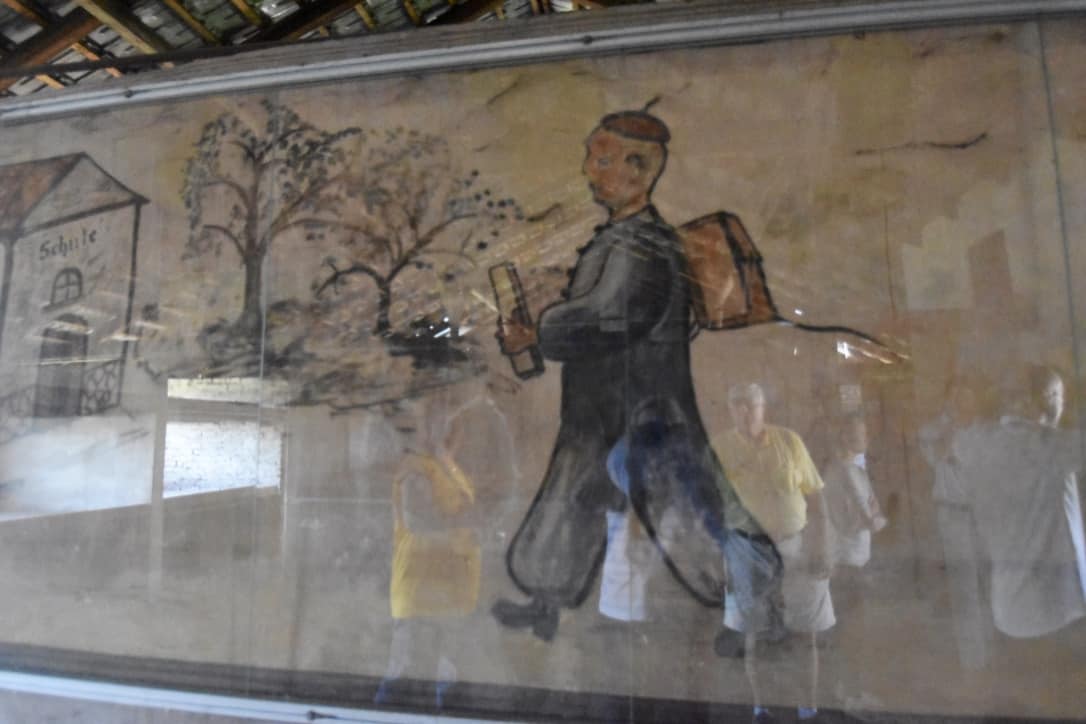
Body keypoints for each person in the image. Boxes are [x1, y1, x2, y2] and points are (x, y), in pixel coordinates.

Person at [492, 110, 775, 641]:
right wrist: (541, 334)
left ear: (639, 170)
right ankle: (546, 598)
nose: (588, 171)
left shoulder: (643, 244)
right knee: (571, 496)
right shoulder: (621, 238)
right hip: (600, 407)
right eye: (591, 158)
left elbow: (608, 315)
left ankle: (755, 609)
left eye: (601, 161)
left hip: (648, 408)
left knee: (691, 511)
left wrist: (539, 333)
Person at [715, 382, 833, 723]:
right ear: (730, 409)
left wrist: (822, 546)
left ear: (763, 407)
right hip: (745, 551)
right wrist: (722, 564)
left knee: (805, 635)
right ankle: (761, 709)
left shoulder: (789, 441)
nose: (745, 411)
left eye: (751, 404)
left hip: (795, 547)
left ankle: (808, 709)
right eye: (738, 404)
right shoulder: (719, 448)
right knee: (755, 636)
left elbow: (815, 496)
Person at [953, 365, 1086, 639]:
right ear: (1049, 398)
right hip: (1055, 610)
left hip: (1007, 608)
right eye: (1060, 397)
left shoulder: (976, 443)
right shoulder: (1053, 447)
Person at [918, 374, 994, 669]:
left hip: (984, 513)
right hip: (953, 514)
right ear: (948, 399)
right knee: (965, 588)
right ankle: (974, 661)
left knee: (990, 581)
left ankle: (995, 652)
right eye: (956, 395)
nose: (963, 401)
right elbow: (934, 455)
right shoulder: (934, 430)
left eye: (967, 395)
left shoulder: (985, 430)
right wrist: (950, 428)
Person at [823, 413, 886, 572]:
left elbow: (872, 507)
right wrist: (878, 518)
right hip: (850, 556)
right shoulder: (847, 471)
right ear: (845, 437)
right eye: (862, 433)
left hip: (850, 554)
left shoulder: (850, 469)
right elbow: (872, 522)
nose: (867, 438)